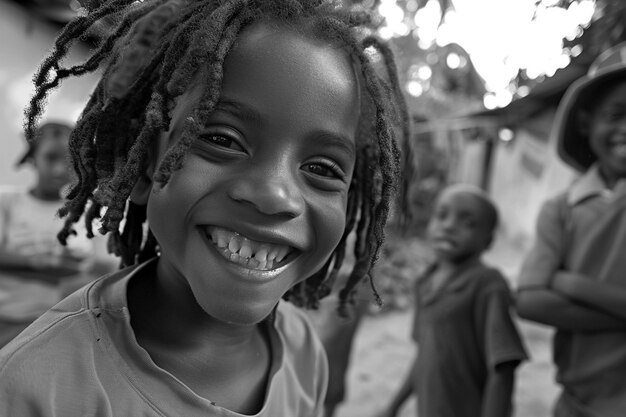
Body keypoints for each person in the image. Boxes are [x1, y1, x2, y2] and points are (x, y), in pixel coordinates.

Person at [0, 1, 409, 416]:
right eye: (223, 140)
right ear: (140, 166)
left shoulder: (304, 352)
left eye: (321, 168)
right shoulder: (35, 387)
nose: (275, 196)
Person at [516, 42, 626, 417]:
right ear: (586, 122)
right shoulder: (561, 209)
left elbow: (543, 291)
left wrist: (571, 284)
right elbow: (529, 300)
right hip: (576, 404)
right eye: (616, 114)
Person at [379, 184, 528, 417]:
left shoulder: (487, 284)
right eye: (441, 216)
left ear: (487, 241)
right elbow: (425, 356)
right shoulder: (424, 283)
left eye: (468, 223)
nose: (449, 226)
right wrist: (393, 407)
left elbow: (503, 368)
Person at [0, 121, 110, 348]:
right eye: (50, 157)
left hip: (52, 328)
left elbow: (102, 269)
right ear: (32, 158)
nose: (59, 169)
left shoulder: (87, 212)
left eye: (69, 161)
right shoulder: (7, 202)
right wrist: (45, 264)